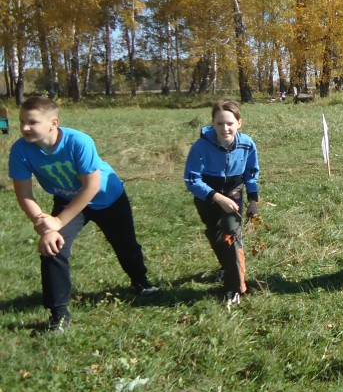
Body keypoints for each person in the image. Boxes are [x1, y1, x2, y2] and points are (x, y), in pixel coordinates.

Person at [8, 97, 157, 332]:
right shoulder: (20, 150)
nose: (25, 128)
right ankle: (58, 312)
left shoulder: (78, 141)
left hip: (108, 197)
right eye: (22, 122)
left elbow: (91, 187)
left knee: (125, 244)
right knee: (53, 247)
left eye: (32, 122)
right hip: (67, 199)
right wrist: (45, 225)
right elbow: (24, 194)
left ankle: (140, 281)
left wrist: (58, 221)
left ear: (53, 123)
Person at [184, 100, 260, 309]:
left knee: (231, 236)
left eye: (230, 123)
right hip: (207, 196)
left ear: (239, 123)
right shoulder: (201, 147)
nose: (225, 128)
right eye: (219, 123)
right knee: (215, 233)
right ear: (213, 123)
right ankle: (226, 267)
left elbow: (251, 173)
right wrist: (216, 197)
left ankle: (234, 288)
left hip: (234, 192)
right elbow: (192, 179)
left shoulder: (247, 144)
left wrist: (253, 200)